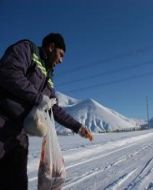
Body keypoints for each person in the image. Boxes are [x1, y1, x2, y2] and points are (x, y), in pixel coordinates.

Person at [0, 33, 93, 189]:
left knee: (17, 183)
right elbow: (8, 72)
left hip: (19, 135)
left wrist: (78, 127)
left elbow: (53, 108)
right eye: (60, 54)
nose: (61, 60)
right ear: (51, 47)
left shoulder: (49, 77)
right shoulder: (27, 49)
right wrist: (37, 98)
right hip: (3, 122)